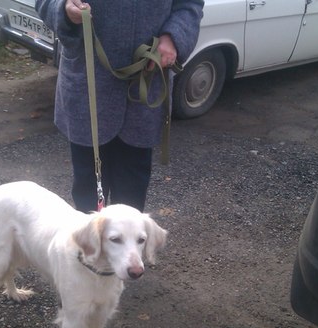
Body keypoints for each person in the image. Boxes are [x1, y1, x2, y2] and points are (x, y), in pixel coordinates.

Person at [35, 0, 203, 213]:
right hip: (87, 89)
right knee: (88, 206)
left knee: (131, 208)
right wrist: (64, 10)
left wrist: (174, 37)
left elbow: (190, 4)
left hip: (145, 92)